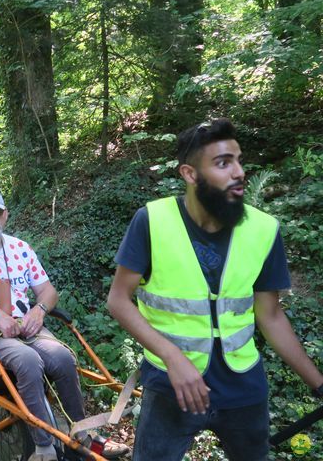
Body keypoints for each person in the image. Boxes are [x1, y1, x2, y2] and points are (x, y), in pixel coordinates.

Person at [106, 118, 323, 460]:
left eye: (238, 160)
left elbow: (271, 317)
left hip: (244, 388)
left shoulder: (264, 230)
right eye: (223, 163)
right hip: (170, 386)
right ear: (190, 174)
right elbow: (118, 300)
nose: (238, 172)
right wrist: (173, 358)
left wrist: (319, 384)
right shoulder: (152, 221)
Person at [0, 188, 129, 461]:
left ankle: (83, 434)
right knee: (27, 360)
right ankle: (44, 447)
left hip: (26, 325)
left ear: (6, 215)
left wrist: (38, 310)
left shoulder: (19, 249)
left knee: (63, 357)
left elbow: (48, 291)